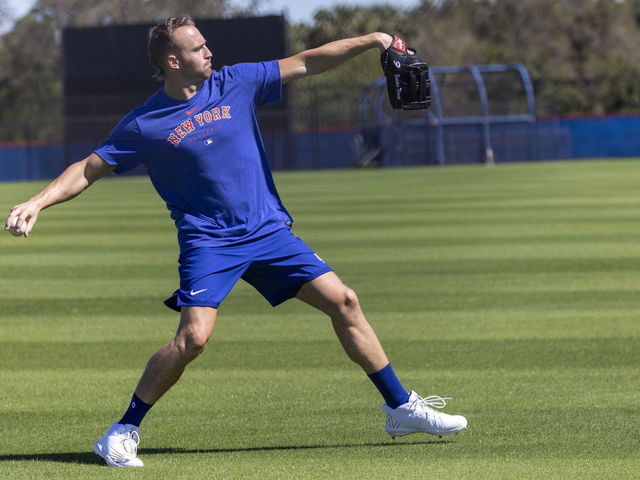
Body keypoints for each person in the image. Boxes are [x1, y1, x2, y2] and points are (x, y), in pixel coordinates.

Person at [4, 16, 467, 467]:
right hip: (210, 243)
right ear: (172, 60)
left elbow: (307, 62)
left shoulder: (236, 82)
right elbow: (88, 168)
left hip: (268, 232)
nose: (209, 52)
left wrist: (373, 40)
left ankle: (400, 409)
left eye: (206, 44)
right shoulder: (144, 124)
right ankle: (122, 431)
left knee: (344, 301)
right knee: (193, 339)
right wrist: (38, 202)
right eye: (197, 47)